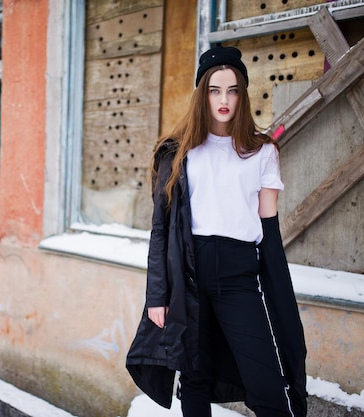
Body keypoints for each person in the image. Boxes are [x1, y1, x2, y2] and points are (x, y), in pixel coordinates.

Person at [126, 45, 307, 417]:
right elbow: (160, 230)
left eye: (232, 90)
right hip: (190, 279)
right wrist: (157, 295)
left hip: (239, 277)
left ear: (243, 93)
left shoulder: (262, 151)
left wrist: (280, 297)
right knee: (194, 378)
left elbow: (269, 232)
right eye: (214, 90)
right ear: (202, 94)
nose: (224, 100)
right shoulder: (176, 152)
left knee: (267, 385)